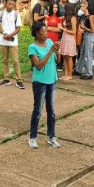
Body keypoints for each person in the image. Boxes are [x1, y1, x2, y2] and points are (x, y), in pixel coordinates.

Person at [27, 21, 61, 149]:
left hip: (52, 80)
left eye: (47, 31)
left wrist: (57, 51)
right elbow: (39, 66)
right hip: (40, 82)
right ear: (37, 33)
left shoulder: (50, 43)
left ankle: (51, 137)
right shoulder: (32, 47)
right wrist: (50, 52)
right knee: (37, 111)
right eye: (43, 32)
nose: (46, 34)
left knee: (51, 111)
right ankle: (33, 137)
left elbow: (58, 61)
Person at [0, 0, 25, 89]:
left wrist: (10, 35)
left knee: (16, 61)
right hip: (3, 40)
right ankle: (6, 78)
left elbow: (18, 28)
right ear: (5, 3)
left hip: (13, 41)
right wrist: (5, 33)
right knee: (5, 60)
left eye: (13, 4)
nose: (11, 6)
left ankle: (19, 80)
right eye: (10, 4)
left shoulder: (16, 14)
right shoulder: (0, 14)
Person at [74, 0, 94, 80]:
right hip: (85, 35)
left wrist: (84, 28)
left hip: (89, 35)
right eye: (81, 6)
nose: (82, 8)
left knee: (88, 54)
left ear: (87, 6)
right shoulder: (82, 16)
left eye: (83, 6)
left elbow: (93, 30)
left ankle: (89, 73)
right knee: (82, 53)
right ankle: (78, 69)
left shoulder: (91, 16)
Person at [58, 3, 78, 81]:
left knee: (69, 57)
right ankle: (66, 74)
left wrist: (63, 29)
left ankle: (70, 75)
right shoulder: (66, 18)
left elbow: (73, 31)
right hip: (65, 37)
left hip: (70, 38)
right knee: (64, 56)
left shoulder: (73, 18)